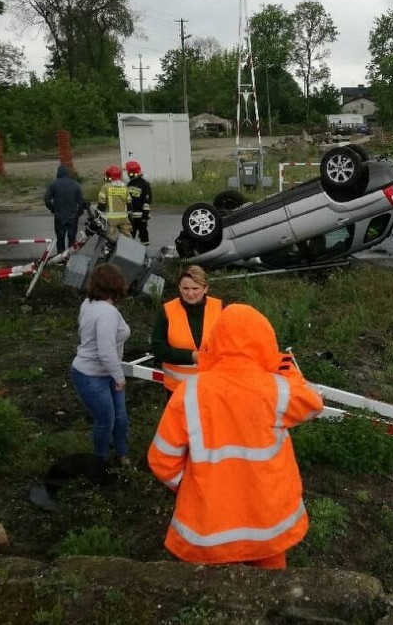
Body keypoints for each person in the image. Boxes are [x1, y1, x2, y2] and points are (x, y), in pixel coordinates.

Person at [148, 303, 323, 568]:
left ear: (215, 341)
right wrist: (285, 367)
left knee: (216, 598)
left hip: (209, 530)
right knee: (268, 592)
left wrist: (190, 487)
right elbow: (313, 402)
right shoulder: (277, 390)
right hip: (267, 522)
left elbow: (162, 460)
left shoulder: (190, 392)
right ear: (265, 341)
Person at [70, 263, 131, 466]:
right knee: (106, 420)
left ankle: (122, 453)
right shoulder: (107, 313)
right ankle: (100, 461)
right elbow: (106, 352)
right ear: (116, 285)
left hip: (102, 372)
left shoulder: (88, 303)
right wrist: (119, 376)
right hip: (93, 375)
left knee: (119, 416)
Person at [150, 265, 222, 398]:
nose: (190, 293)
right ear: (179, 288)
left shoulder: (220, 309)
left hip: (212, 386)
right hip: (178, 390)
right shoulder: (167, 311)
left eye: (195, 288)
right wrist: (191, 356)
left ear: (205, 288)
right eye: (185, 288)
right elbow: (158, 348)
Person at [44, 164, 86, 254]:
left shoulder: (53, 184)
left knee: (60, 237)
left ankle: (60, 256)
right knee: (72, 238)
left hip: (59, 216)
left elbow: (47, 200)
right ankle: (71, 257)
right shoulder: (75, 185)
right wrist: (79, 213)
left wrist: (53, 209)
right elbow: (81, 202)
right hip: (72, 216)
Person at [96, 165, 132, 241]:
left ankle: (109, 251)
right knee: (127, 237)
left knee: (111, 238)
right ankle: (129, 250)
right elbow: (129, 202)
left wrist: (99, 212)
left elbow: (101, 202)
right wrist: (129, 216)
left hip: (111, 219)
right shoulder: (124, 187)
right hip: (123, 218)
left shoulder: (106, 187)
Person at [125, 160, 151, 246]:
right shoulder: (130, 183)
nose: (128, 174)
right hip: (132, 216)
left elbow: (147, 202)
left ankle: (144, 253)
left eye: (129, 172)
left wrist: (145, 217)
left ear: (132, 173)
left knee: (143, 235)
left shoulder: (144, 184)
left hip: (141, 216)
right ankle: (130, 253)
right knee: (130, 235)